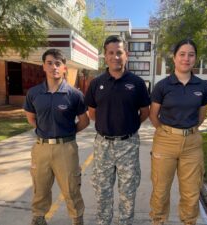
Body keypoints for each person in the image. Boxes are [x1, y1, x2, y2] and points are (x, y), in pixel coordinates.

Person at [84, 35, 150, 225]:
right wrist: (107, 125)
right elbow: (92, 113)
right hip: (103, 144)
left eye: (119, 52)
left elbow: (144, 112)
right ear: (105, 56)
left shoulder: (137, 83)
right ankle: (104, 221)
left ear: (126, 55)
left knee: (128, 191)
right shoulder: (96, 83)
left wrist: (129, 125)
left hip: (128, 144)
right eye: (111, 53)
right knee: (102, 189)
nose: (115, 57)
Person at [149, 39, 207, 225]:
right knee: (160, 190)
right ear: (174, 58)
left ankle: (188, 221)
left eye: (191, 55)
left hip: (192, 144)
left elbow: (201, 117)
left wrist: (188, 131)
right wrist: (166, 132)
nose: (186, 58)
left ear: (195, 58)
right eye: (182, 54)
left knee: (191, 192)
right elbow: (154, 115)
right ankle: (158, 221)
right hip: (165, 141)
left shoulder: (202, 87)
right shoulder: (163, 86)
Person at [24, 48, 89, 225]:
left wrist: (67, 132)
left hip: (66, 149)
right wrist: (44, 131)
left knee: (71, 187)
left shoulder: (74, 94)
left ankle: (77, 219)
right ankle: (38, 218)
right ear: (43, 67)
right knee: (40, 187)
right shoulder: (34, 93)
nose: (54, 67)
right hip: (41, 148)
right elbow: (31, 117)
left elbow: (84, 121)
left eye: (58, 63)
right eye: (50, 63)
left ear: (64, 68)